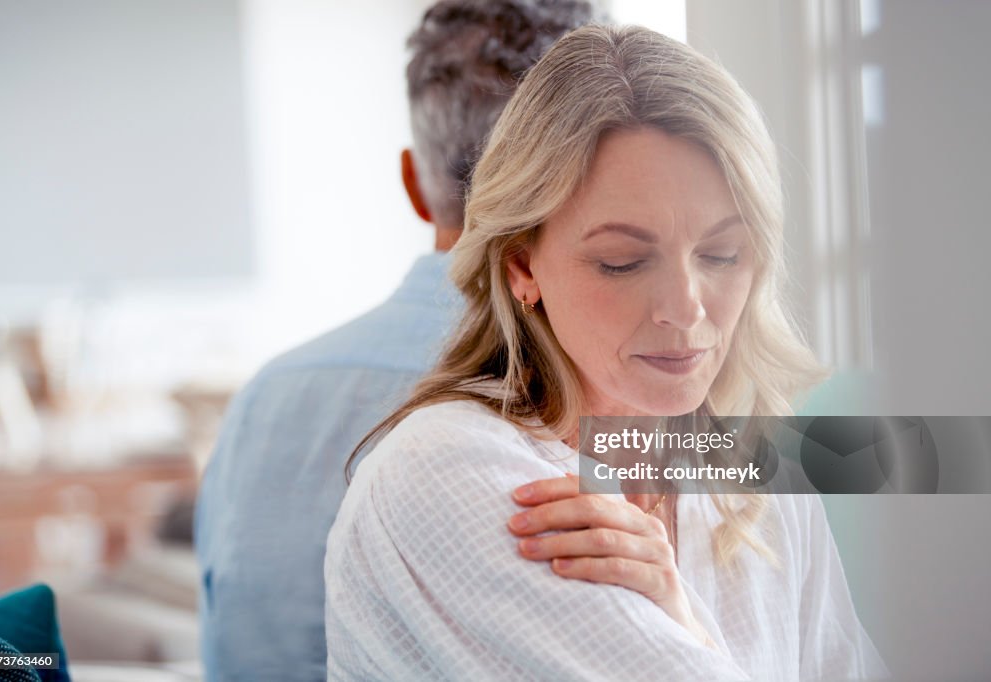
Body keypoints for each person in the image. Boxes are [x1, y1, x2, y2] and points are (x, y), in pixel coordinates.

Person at [324, 24, 890, 681]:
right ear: (520, 266)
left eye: (721, 254)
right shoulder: (449, 469)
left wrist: (683, 619)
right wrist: (688, 632)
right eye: (622, 262)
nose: (686, 308)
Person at [194, 2, 600, 679]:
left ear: (413, 182)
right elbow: (827, 461)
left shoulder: (261, 404)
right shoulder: (605, 390)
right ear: (591, 176)